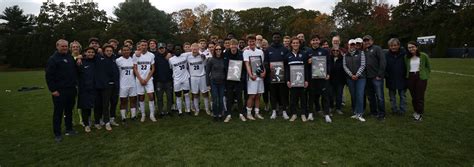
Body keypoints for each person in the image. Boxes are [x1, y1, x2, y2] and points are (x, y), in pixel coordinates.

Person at [45, 39, 78, 142]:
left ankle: (69, 129)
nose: (64, 48)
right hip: (59, 91)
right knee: (58, 112)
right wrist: (53, 90)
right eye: (62, 46)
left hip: (71, 89)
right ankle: (57, 133)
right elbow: (49, 76)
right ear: (57, 46)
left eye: (66, 46)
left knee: (69, 111)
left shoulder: (70, 57)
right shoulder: (53, 59)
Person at [265, 32, 290, 120]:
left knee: (283, 94)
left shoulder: (285, 49)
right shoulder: (268, 50)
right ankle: (274, 111)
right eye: (275, 37)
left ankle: (284, 111)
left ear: (280, 39)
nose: (276, 39)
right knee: (273, 94)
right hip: (272, 76)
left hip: (282, 76)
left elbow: (287, 63)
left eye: (278, 37)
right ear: (272, 38)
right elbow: (266, 62)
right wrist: (270, 69)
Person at [307, 34, 332, 123]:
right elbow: (305, 66)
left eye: (316, 40)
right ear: (311, 42)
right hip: (312, 78)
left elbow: (329, 63)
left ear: (319, 41)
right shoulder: (308, 51)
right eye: (313, 40)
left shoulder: (324, 51)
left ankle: (327, 114)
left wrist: (328, 73)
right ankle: (310, 113)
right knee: (312, 96)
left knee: (325, 96)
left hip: (322, 78)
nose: (315, 42)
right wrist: (308, 62)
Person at [285, 37, 310, 122]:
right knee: (293, 98)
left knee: (303, 98)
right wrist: (287, 80)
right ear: (291, 44)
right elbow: (287, 69)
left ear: (299, 44)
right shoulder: (288, 55)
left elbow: (306, 68)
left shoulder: (304, 54)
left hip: (302, 81)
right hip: (292, 81)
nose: (295, 44)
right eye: (294, 43)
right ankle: (294, 114)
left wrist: (306, 80)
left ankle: (303, 114)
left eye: (297, 43)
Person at [405, 41, 431, 121]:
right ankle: (416, 111)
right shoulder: (406, 57)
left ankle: (419, 113)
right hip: (410, 77)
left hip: (421, 77)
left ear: (416, 47)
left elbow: (428, 67)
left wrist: (425, 75)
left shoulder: (423, 56)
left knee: (420, 96)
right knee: (414, 96)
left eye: (413, 47)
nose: (411, 49)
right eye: (409, 47)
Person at [363, 35, 386, 120]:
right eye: (365, 41)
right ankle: (373, 112)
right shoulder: (364, 51)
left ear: (372, 41)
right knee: (370, 96)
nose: (366, 42)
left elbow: (383, 62)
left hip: (376, 77)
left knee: (379, 96)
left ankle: (382, 113)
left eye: (368, 40)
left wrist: (380, 74)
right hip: (367, 77)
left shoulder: (377, 48)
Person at [133, 40, 157, 122]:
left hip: (148, 79)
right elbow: (135, 68)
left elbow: (153, 68)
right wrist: (140, 79)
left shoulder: (151, 55)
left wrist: (146, 79)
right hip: (139, 79)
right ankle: (143, 114)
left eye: (145, 45)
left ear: (147, 46)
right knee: (141, 97)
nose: (144, 47)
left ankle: (152, 114)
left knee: (151, 96)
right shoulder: (136, 55)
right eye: (142, 45)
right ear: (140, 46)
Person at [243, 34, 266, 120]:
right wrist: (251, 75)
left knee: (258, 95)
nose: (251, 43)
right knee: (252, 95)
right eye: (250, 41)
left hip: (260, 76)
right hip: (252, 77)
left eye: (253, 41)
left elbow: (262, 64)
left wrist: (264, 72)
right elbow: (247, 64)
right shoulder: (246, 52)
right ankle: (249, 114)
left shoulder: (260, 51)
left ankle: (257, 113)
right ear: (247, 42)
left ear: (255, 41)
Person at [343, 39, 367, 122]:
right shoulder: (345, 55)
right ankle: (355, 112)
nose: (352, 46)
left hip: (361, 78)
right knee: (353, 96)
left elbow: (363, 65)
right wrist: (351, 75)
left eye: (353, 45)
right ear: (348, 45)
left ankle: (360, 113)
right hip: (350, 79)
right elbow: (345, 66)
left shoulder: (361, 53)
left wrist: (356, 75)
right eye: (351, 45)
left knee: (360, 95)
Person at [224, 39, 247, 122]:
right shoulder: (225, 54)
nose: (233, 47)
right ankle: (228, 114)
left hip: (239, 79)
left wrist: (242, 77)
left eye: (235, 45)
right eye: (231, 45)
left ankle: (241, 114)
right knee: (229, 97)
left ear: (237, 46)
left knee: (239, 97)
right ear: (229, 46)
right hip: (229, 79)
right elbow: (225, 67)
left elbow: (244, 68)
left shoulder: (241, 54)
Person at [187, 43, 211, 116]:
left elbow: (208, 57)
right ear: (191, 49)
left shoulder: (202, 56)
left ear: (199, 49)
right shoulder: (188, 56)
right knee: (195, 94)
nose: (195, 51)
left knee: (205, 93)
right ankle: (197, 110)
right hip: (193, 77)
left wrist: (201, 54)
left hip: (202, 76)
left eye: (196, 49)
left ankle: (207, 109)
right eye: (193, 49)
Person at [385, 38, 407, 116]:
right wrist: (386, 75)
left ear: (398, 45)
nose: (393, 47)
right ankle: (394, 109)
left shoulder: (404, 53)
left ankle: (402, 110)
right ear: (389, 46)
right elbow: (384, 66)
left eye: (395, 45)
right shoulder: (386, 55)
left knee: (402, 96)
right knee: (392, 96)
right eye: (391, 46)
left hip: (402, 78)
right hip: (390, 78)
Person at [77, 47, 97, 133]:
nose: (91, 54)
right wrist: (79, 57)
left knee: (94, 106)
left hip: (94, 88)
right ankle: (86, 125)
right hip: (84, 89)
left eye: (92, 52)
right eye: (89, 52)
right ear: (85, 53)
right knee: (85, 107)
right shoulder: (81, 62)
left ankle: (94, 121)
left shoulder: (96, 61)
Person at [169, 43, 192, 116]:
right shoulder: (171, 59)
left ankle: (188, 110)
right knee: (178, 96)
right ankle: (180, 111)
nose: (177, 50)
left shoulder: (185, 55)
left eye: (179, 49)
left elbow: (194, 51)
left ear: (181, 50)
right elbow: (171, 68)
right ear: (174, 50)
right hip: (177, 80)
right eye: (176, 49)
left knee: (187, 95)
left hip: (185, 78)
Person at [116, 46, 137, 122]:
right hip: (122, 84)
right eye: (124, 50)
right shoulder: (118, 60)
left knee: (133, 100)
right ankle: (123, 117)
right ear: (121, 51)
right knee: (123, 101)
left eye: (127, 50)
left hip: (132, 83)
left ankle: (133, 116)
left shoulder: (133, 60)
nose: (126, 51)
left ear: (130, 51)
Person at [206, 44, 227, 121]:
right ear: (214, 51)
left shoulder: (224, 59)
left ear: (221, 50)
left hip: (222, 82)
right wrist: (208, 84)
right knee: (215, 100)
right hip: (213, 82)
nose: (218, 51)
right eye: (216, 49)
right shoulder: (210, 60)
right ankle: (215, 114)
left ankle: (221, 114)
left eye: (219, 49)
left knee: (221, 100)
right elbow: (207, 72)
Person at [153, 43, 174, 117]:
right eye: (160, 48)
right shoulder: (155, 57)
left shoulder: (170, 56)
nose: (161, 49)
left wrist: (170, 54)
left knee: (169, 97)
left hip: (168, 80)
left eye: (162, 48)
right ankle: (160, 111)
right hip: (159, 81)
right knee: (159, 98)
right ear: (158, 49)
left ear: (165, 48)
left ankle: (169, 111)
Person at [329, 47, 345, 115]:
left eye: (337, 51)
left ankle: (338, 108)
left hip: (340, 81)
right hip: (331, 81)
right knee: (331, 95)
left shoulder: (342, 59)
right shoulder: (329, 59)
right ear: (332, 51)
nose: (335, 52)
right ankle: (331, 107)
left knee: (339, 95)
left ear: (339, 51)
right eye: (334, 50)